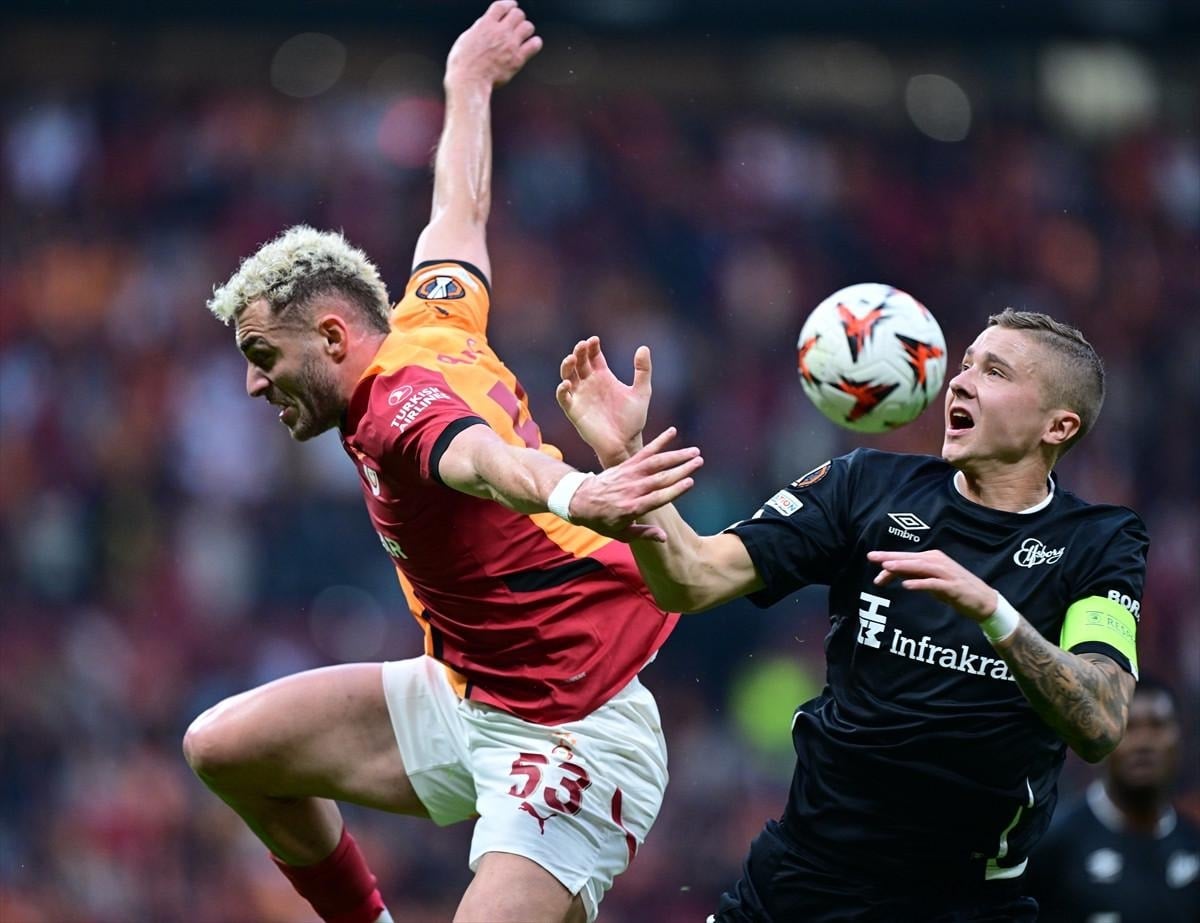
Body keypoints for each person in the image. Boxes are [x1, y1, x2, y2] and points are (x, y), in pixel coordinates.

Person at [183, 5, 704, 922]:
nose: (255, 386)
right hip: (472, 695)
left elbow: (483, 461)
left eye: (264, 358)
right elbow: (458, 213)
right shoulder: (431, 317)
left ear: (333, 337)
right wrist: (468, 81)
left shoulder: (394, 411)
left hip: (576, 727)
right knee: (223, 746)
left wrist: (577, 489)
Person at [554, 310, 1150, 921]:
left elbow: (1101, 720)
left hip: (966, 903)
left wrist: (995, 612)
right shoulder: (865, 485)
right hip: (806, 880)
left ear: (1058, 425)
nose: (960, 382)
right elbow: (693, 578)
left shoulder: (1099, 541)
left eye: (994, 372)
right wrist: (624, 456)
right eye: (966, 365)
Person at [1026, 678, 1200, 922]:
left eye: (1158, 725)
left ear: (1181, 738)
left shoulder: (1193, 843)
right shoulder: (1051, 847)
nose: (1143, 743)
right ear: (1099, 737)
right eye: (1128, 726)